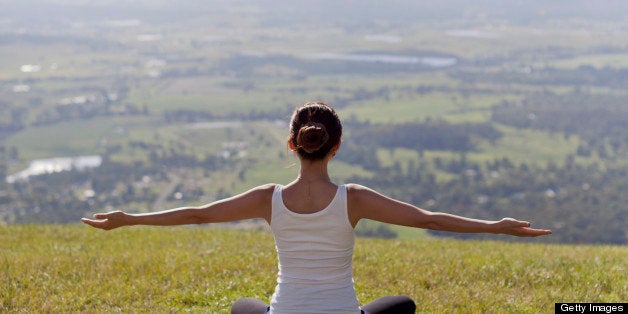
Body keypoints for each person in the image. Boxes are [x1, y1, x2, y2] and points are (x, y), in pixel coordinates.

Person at [82, 102, 552, 313]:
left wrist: (128, 220)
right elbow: (427, 220)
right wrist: (499, 226)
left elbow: (198, 213)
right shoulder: (355, 200)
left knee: (242, 307)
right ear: (336, 146)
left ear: (291, 144)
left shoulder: (268, 199)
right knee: (404, 304)